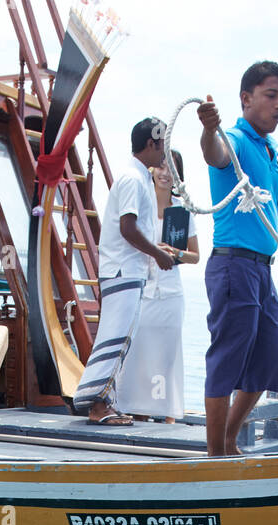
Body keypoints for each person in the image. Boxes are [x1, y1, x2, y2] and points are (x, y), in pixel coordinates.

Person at [197, 62, 278, 457]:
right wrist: (207, 128)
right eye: (272, 95)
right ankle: (214, 456)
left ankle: (230, 440)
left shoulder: (271, 152)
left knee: (268, 362)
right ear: (246, 98)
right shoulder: (234, 139)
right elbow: (214, 153)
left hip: (262, 270)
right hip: (233, 264)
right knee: (226, 361)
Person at [72, 117, 174, 425]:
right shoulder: (133, 178)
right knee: (116, 337)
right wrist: (157, 253)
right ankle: (96, 405)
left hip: (126, 270)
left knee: (120, 336)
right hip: (122, 270)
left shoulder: (139, 177)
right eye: (163, 147)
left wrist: (156, 251)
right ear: (151, 144)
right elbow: (127, 227)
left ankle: (104, 400)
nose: (165, 154)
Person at [116, 149, 200, 423]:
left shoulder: (182, 208)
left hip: (171, 293)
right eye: (162, 167)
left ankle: (166, 415)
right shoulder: (141, 202)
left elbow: (195, 256)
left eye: (172, 169)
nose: (165, 173)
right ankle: (138, 411)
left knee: (166, 357)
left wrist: (172, 253)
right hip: (143, 290)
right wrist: (153, 250)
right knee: (140, 355)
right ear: (153, 169)